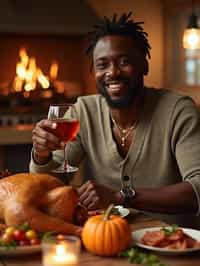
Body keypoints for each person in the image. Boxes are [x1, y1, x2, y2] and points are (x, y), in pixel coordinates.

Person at [30, 12, 200, 229]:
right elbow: (50, 188)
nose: (113, 72)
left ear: (144, 65)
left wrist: (121, 195)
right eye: (102, 65)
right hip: (108, 240)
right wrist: (42, 155)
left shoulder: (178, 110)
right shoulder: (82, 111)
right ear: (94, 73)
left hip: (174, 242)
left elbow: (197, 190)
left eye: (124, 61)